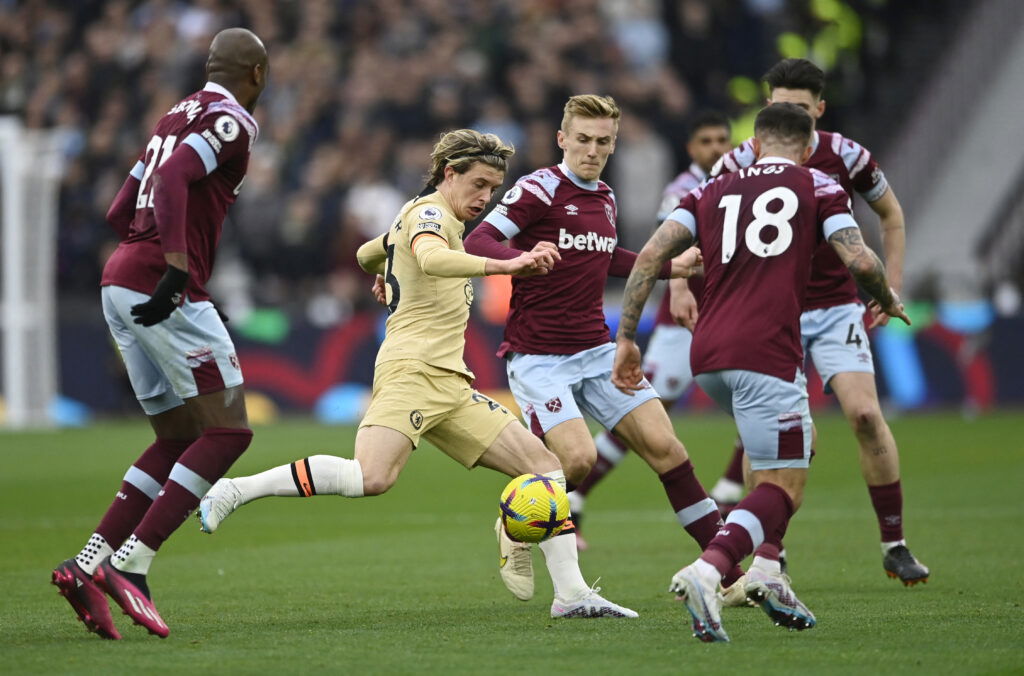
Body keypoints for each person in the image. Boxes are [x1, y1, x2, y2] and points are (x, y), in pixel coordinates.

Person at [198, 129, 639, 620]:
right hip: (411, 370)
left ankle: (570, 594)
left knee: (547, 469)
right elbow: (429, 256)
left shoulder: (430, 219)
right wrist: (505, 265)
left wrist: (387, 267)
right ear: (449, 174)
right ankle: (234, 490)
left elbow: (373, 251)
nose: (485, 198)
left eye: (493, 188)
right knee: (371, 476)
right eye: (478, 185)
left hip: (451, 381)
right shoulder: (428, 213)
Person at [612, 103, 910, 642]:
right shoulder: (818, 185)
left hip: (707, 354)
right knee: (784, 483)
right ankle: (710, 571)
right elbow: (860, 260)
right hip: (767, 352)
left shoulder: (711, 186)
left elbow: (650, 256)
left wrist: (627, 338)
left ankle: (769, 574)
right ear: (809, 139)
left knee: (801, 442)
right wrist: (887, 296)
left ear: (756, 140)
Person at [463, 95, 744, 606]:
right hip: (539, 356)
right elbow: (478, 239)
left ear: (613, 144)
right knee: (575, 459)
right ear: (562, 139)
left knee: (668, 449)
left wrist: (670, 266)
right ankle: (513, 520)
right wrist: (520, 259)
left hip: (595, 348)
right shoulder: (539, 188)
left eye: (603, 142)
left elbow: (606, 256)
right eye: (584, 140)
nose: (592, 150)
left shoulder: (606, 197)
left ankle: (729, 577)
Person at [51, 28, 269, 639]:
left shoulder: (172, 116)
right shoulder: (234, 119)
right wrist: (177, 266)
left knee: (176, 433)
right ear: (256, 74)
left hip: (118, 277)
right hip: (159, 279)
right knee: (228, 432)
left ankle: (87, 563)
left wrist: (158, 254)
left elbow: (120, 211)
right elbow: (173, 180)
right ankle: (133, 565)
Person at [705, 58, 928, 585]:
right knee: (770, 439)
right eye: (782, 107)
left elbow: (890, 214)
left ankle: (894, 543)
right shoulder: (739, 161)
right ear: (767, 111)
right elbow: (709, 228)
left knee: (865, 416)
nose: (793, 116)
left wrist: (889, 285)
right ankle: (769, 552)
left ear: (819, 111)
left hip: (832, 309)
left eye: (802, 108)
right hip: (767, 313)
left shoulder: (846, 156)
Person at [572, 112, 735, 549]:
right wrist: (679, 288)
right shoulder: (681, 190)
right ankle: (577, 497)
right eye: (706, 139)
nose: (717, 146)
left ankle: (729, 499)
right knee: (641, 419)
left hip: (730, 316)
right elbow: (667, 243)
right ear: (691, 148)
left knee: (761, 409)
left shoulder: (743, 181)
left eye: (723, 137)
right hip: (683, 323)